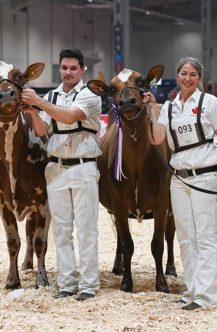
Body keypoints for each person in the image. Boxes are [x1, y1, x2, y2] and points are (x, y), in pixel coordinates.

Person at [144, 57, 217, 310]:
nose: (187, 78)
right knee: (185, 238)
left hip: (206, 175)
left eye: (193, 74)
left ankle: (206, 296)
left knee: (205, 237)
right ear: (177, 76)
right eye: (183, 73)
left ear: (199, 78)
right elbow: (156, 139)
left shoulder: (210, 103)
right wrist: (153, 109)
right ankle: (192, 290)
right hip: (179, 179)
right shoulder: (169, 108)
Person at [21, 49, 102, 301]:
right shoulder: (53, 95)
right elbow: (44, 129)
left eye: (73, 68)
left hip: (83, 166)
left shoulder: (90, 95)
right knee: (62, 231)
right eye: (64, 68)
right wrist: (32, 112)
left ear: (83, 70)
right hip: (55, 168)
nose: (68, 72)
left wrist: (39, 103)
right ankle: (66, 283)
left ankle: (88, 285)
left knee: (86, 229)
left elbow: (70, 116)